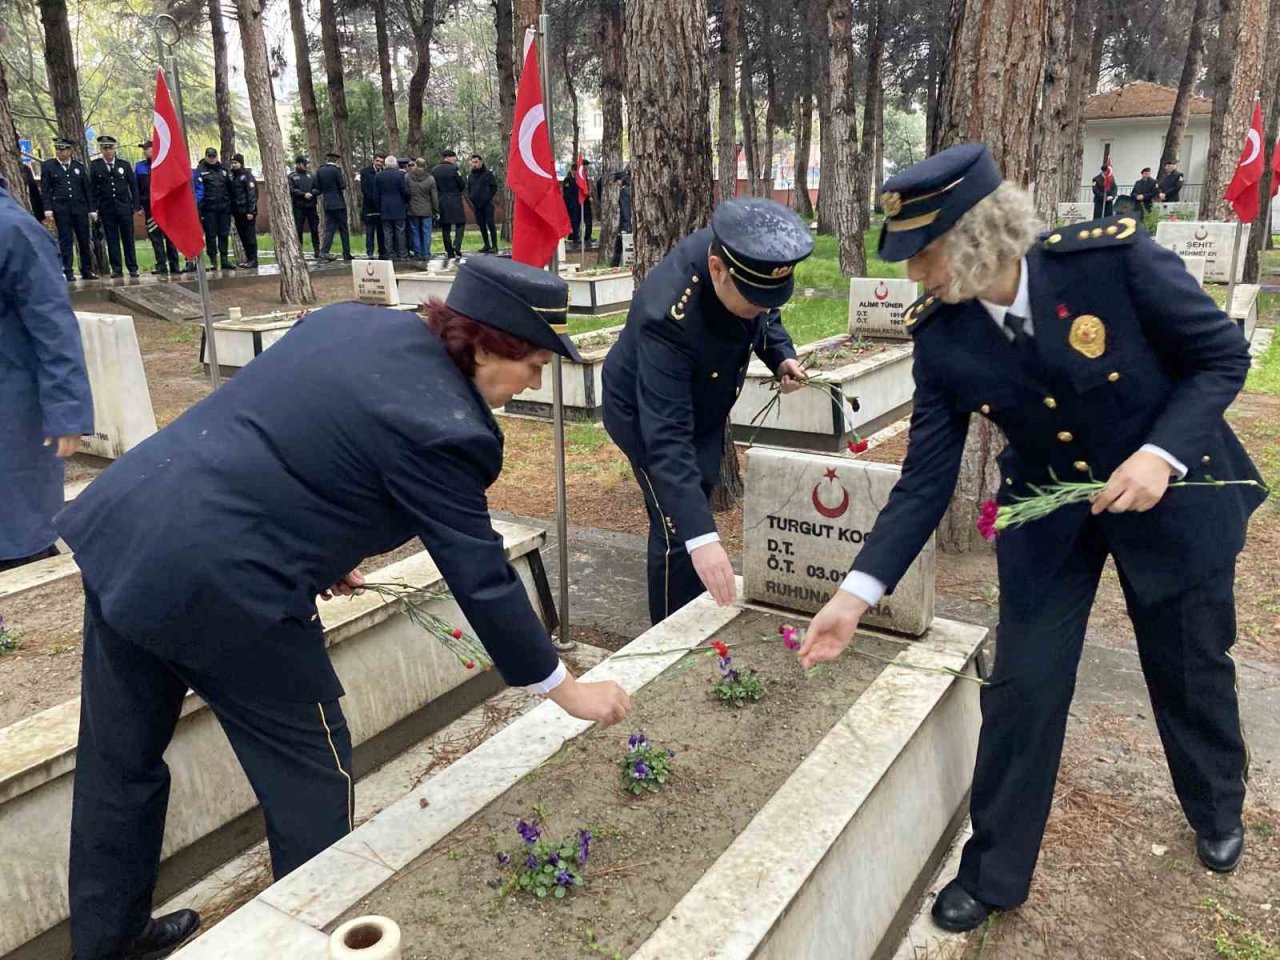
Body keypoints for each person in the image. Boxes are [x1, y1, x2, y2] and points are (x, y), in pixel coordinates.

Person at [56, 257, 632, 960]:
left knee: (120, 763)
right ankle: (310, 942)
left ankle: (110, 941)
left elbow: (297, 443)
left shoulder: (351, 324)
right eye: (535, 363)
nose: (534, 383)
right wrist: (563, 688)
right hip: (227, 588)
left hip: (129, 528)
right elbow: (478, 572)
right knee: (311, 779)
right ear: (487, 345)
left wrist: (323, 555)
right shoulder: (449, 425)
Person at [796, 143, 1268, 934]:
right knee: (1025, 684)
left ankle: (1217, 805)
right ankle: (994, 870)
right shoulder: (944, 337)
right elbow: (924, 480)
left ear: (982, 232)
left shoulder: (1113, 266)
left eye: (925, 253)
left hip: (1174, 491)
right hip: (1051, 510)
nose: (915, 275)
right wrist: (856, 593)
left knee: (1189, 664)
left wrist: (1160, 454)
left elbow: (1221, 357)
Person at [601, 198, 813, 624]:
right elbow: (666, 439)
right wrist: (702, 538)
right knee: (678, 528)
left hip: (702, 404)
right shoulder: (666, 317)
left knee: (698, 492)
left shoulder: (742, 253)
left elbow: (764, 311)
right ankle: (669, 630)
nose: (760, 306)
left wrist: (781, 356)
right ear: (717, 269)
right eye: (751, 298)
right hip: (645, 415)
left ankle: (696, 594)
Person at [0, 171, 94, 573]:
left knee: (18, 532)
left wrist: (67, 412)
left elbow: (54, 329)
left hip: (12, 409)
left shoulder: (13, 229)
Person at [41, 136, 98, 282]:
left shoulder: (78, 167)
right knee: (65, 241)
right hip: (62, 209)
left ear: (70, 151)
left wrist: (92, 209)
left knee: (84, 240)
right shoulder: (49, 166)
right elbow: (46, 190)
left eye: (63, 149)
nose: (60, 152)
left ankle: (87, 269)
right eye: (58, 149)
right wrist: (48, 209)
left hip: (79, 208)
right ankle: (68, 270)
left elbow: (87, 189)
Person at [88, 135, 140, 279]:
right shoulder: (96, 166)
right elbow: (92, 189)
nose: (108, 151)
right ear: (101, 150)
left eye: (110, 148)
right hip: (107, 208)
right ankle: (116, 268)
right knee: (112, 240)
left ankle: (132, 267)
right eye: (105, 148)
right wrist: (93, 209)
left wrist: (136, 205)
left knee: (128, 239)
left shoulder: (124, 165)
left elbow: (133, 186)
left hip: (124, 208)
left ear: (114, 149)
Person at [135, 141, 181, 276]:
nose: (145, 152)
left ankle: (174, 264)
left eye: (147, 149)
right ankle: (161, 264)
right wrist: (137, 206)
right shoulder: (140, 167)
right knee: (155, 237)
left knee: (170, 237)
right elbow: (136, 188)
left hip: (166, 207)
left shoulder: (165, 164)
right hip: (150, 208)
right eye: (144, 150)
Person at [197, 147, 235, 270]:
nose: (212, 159)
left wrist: (229, 204)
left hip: (223, 208)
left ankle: (224, 259)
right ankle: (213, 260)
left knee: (223, 234)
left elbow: (230, 188)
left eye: (214, 156)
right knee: (211, 235)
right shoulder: (200, 170)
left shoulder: (223, 170)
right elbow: (198, 189)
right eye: (210, 156)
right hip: (208, 209)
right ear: (206, 156)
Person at [432, 149, 468, 264]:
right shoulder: (454, 169)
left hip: (442, 200)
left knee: (446, 227)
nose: (455, 159)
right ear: (448, 157)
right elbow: (461, 184)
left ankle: (449, 250)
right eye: (454, 157)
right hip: (455, 199)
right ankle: (457, 245)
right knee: (460, 223)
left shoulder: (435, 170)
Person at [317, 150, 352, 262]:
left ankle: (324, 251)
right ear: (336, 160)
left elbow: (318, 187)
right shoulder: (336, 170)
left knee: (329, 228)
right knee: (343, 228)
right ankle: (346, 252)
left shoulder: (320, 170)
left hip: (327, 203)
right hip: (338, 203)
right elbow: (342, 185)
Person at [375, 153, 409, 260]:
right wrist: (405, 201)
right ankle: (402, 253)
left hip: (385, 207)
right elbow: (404, 191)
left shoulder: (379, 176)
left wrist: (378, 206)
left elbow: (376, 194)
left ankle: (389, 253)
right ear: (395, 164)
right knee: (400, 232)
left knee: (387, 233)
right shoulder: (400, 175)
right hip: (398, 206)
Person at [228, 154, 259, 268]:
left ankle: (253, 259)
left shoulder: (247, 176)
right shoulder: (232, 176)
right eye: (232, 163)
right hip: (237, 212)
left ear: (241, 163)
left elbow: (252, 194)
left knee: (250, 236)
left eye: (236, 163)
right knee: (243, 237)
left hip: (247, 212)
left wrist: (251, 211)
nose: (234, 165)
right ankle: (248, 258)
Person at [407, 157, 440, 260]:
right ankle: (426, 253)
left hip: (413, 209)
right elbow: (434, 197)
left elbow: (406, 193)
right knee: (426, 232)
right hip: (427, 210)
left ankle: (418, 253)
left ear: (415, 165)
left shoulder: (408, 177)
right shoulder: (430, 179)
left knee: (415, 232)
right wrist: (436, 209)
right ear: (425, 166)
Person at [289, 156, 321, 257]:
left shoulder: (311, 175)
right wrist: (303, 194)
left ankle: (317, 250)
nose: (306, 166)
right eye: (304, 164)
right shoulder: (292, 176)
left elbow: (318, 188)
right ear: (298, 164)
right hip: (299, 207)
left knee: (314, 229)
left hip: (311, 206)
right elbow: (291, 190)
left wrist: (312, 193)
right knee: (299, 229)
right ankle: (299, 250)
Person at [467, 153, 498, 254]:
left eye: (476, 162)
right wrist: (471, 198)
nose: (474, 164)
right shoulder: (471, 176)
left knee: (491, 224)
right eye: (473, 162)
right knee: (481, 225)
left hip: (487, 204)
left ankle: (494, 245)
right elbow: (469, 189)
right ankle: (486, 244)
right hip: (476, 205)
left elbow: (494, 187)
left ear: (481, 162)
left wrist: (487, 197)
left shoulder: (488, 174)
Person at [360, 151, 386, 259]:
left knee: (381, 231)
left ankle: (382, 252)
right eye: (378, 161)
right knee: (370, 231)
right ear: (373, 160)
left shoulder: (384, 172)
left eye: (381, 161)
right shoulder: (365, 172)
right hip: (369, 206)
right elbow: (364, 189)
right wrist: (374, 201)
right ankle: (370, 252)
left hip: (381, 207)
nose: (379, 163)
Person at [610, 166, 633, 268]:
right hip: (629, 223)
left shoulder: (624, 192)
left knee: (618, 249)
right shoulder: (630, 189)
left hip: (625, 225)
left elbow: (625, 210)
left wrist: (625, 227)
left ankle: (613, 267)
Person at [562, 170, 582, 244]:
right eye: (575, 171)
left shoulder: (576, 179)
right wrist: (569, 204)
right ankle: (575, 237)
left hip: (576, 204)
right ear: (572, 170)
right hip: (570, 204)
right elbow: (566, 193)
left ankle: (573, 236)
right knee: (573, 221)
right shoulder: (567, 179)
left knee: (576, 221)